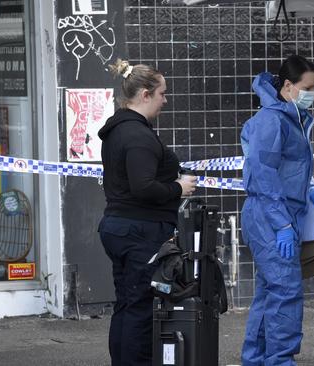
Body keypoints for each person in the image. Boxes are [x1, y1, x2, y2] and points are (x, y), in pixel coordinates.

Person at [97, 59, 197, 366]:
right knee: (139, 308)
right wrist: (178, 188)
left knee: (127, 305)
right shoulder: (137, 136)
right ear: (144, 94)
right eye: (162, 94)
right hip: (138, 231)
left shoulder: (119, 130)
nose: (165, 100)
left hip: (121, 227)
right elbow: (143, 187)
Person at [240, 55, 314, 366]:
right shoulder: (272, 120)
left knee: (270, 292)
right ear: (288, 85)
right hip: (271, 214)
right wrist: (282, 224)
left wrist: (309, 189)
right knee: (285, 291)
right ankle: (279, 360)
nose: (312, 94)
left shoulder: (288, 118)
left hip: (276, 212)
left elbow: (286, 167)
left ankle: (257, 358)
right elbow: (262, 174)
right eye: (308, 87)